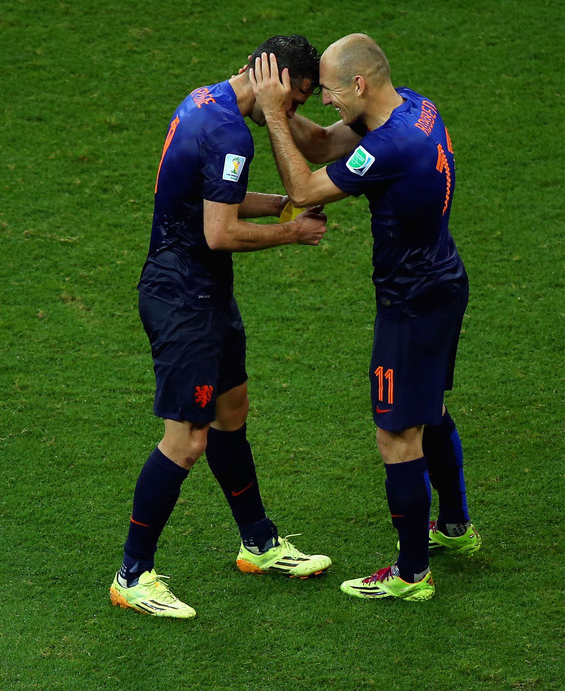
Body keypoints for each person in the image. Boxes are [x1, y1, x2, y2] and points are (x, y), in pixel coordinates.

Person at [249, 33, 480, 602]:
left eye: (329, 91)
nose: (325, 100)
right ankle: (455, 527)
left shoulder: (390, 147)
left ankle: (411, 574)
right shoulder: (415, 109)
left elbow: (303, 189)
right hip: (443, 283)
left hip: (411, 306)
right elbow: (325, 144)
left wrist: (275, 116)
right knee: (429, 409)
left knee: (395, 434)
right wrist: (272, 108)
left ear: (359, 83)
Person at [110, 35, 333, 620]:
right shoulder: (231, 133)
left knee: (232, 413)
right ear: (273, 79)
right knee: (187, 441)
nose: (292, 113)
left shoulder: (204, 99)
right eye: (295, 98)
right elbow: (219, 232)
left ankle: (258, 542)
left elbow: (214, 197)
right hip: (184, 301)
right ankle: (132, 574)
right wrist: (294, 232)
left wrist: (281, 205)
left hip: (204, 293)